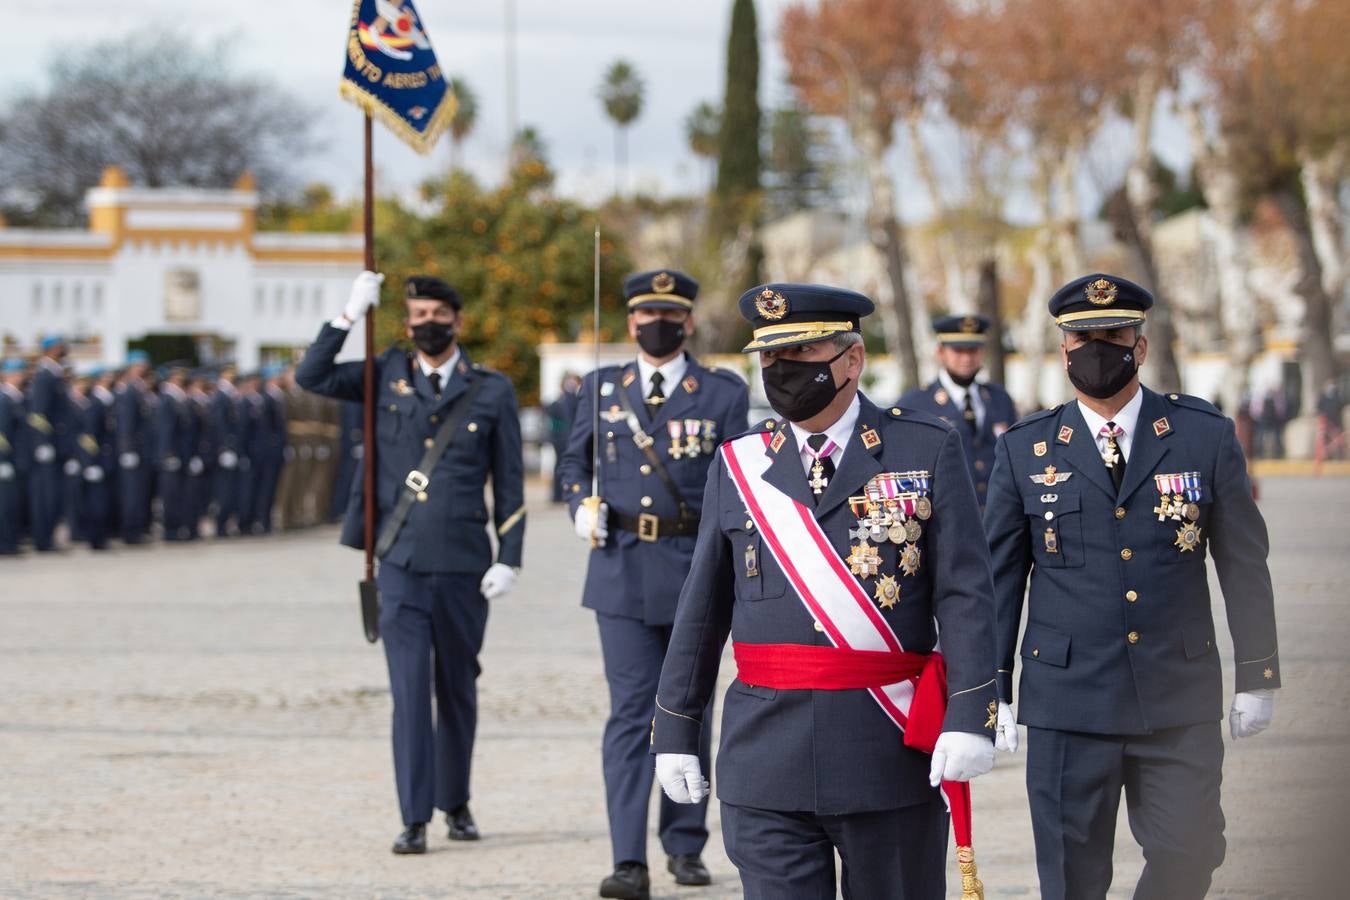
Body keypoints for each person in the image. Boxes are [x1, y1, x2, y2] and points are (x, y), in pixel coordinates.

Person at [652, 283, 999, 899]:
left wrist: (973, 714)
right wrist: (676, 728)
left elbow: (966, 593)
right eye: (770, 358)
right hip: (765, 757)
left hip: (887, 751)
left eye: (803, 353)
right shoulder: (740, 463)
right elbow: (702, 609)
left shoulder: (925, 447)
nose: (783, 371)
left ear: (852, 359)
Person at [983, 273, 1280, 900]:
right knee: (1071, 876)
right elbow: (999, 581)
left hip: (1176, 693)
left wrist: (1258, 673)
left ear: (1139, 347)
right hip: (1069, 700)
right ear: (1063, 350)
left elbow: (1244, 564)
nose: (1097, 349)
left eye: (1112, 335)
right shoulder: (1026, 449)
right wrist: (991, 690)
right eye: (1081, 338)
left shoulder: (1203, 435)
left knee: (1192, 850)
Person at [295, 270, 525, 855]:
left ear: (458, 321)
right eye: (418, 316)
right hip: (397, 560)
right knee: (407, 690)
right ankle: (414, 815)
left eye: (438, 316)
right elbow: (311, 375)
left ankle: (457, 802)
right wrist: (346, 315)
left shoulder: (490, 388)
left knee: (456, 687)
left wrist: (511, 557)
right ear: (406, 322)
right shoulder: (381, 376)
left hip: (463, 563)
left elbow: (511, 482)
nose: (428, 325)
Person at [558, 270, 749, 900]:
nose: (656, 325)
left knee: (691, 705)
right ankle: (626, 857)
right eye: (645, 316)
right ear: (631, 323)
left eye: (669, 315)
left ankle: (685, 841)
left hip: (695, 565)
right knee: (630, 712)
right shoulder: (599, 387)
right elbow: (573, 462)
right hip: (620, 567)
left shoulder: (720, 392)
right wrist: (577, 504)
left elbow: (736, 475)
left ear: (687, 322)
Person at [899, 314, 1016, 507]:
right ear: (940, 352)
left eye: (973, 350)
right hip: (944, 515)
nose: (967, 358)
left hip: (997, 513)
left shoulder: (999, 399)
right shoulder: (915, 404)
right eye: (958, 350)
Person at [26, 336, 73, 551]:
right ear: (51, 350)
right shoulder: (45, 375)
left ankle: (48, 538)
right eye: (60, 347)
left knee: (54, 496)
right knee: (46, 496)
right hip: (50, 444)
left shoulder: (54, 373)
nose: (64, 350)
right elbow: (39, 413)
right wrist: (43, 442)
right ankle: (43, 540)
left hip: (58, 444)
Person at [115, 351, 155, 545]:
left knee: (140, 493)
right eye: (138, 365)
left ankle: (138, 529)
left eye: (143, 365)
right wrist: (127, 449)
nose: (142, 368)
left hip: (143, 449)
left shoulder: (140, 390)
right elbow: (127, 423)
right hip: (134, 449)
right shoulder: (130, 391)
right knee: (132, 494)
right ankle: (131, 532)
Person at [76, 366, 118, 550]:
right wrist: (91, 463)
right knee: (97, 503)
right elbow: (89, 436)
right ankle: (96, 538)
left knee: (105, 502)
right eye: (107, 375)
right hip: (98, 461)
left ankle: (102, 536)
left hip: (107, 460)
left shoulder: (107, 401)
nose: (111, 377)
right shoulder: (96, 403)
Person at [0, 358, 29, 555]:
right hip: (8, 460)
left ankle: (12, 540)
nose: (19, 376)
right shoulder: (4, 399)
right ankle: (5, 543)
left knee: (15, 503)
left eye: (21, 372)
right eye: (15, 372)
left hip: (19, 460)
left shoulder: (18, 398)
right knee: (6, 505)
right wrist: (3, 460)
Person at [211, 365, 243, 537]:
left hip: (232, 449)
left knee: (230, 490)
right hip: (224, 450)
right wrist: (225, 447)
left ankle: (225, 525)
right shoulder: (221, 396)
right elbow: (220, 424)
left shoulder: (230, 394)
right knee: (224, 491)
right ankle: (220, 526)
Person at [546, 372, 582, 503]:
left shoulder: (576, 400)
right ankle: (558, 494)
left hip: (572, 440)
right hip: (561, 441)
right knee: (560, 467)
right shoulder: (557, 403)